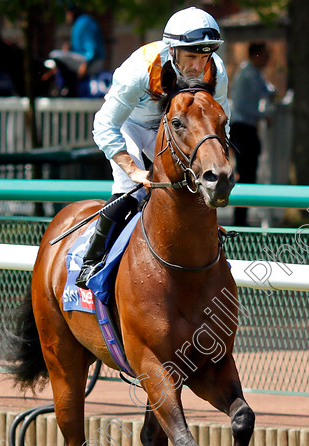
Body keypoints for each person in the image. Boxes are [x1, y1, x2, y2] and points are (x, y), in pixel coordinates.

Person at [75, 6, 230, 288]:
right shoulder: (140, 69)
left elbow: (219, 121)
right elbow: (104, 125)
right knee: (129, 193)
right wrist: (132, 169)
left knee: (195, 189)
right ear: (172, 51)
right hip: (130, 127)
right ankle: (91, 262)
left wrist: (219, 160)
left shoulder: (216, 69)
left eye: (204, 55)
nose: (198, 66)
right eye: (191, 56)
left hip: (174, 130)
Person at [229, 42, 275, 226]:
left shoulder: (255, 75)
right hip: (242, 129)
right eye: (264, 55)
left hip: (248, 129)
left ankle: (243, 218)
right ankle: (239, 220)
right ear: (256, 55)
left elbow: (266, 90)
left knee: (250, 174)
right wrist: (263, 116)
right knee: (245, 174)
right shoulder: (245, 75)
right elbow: (240, 106)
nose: (267, 59)